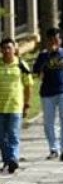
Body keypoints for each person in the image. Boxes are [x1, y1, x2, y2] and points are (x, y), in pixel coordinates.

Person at [32, 27, 63, 162]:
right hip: (47, 92)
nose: (54, 42)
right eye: (51, 39)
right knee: (49, 122)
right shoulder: (43, 55)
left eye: (57, 39)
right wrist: (47, 55)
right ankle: (54, 148)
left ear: (61, 40)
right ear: (47, 41)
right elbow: (35, 70)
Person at [0, 38, 32, 173]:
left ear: (15, 49)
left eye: (9, 48)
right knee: (2, 136)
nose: (7, 50)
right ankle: (7, 161)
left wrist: (27, 104)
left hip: (15, 106)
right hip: (0, 107)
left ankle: (13, 159)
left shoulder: (21, 65)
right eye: (4, 48)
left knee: (13, 134)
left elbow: (28, 85)